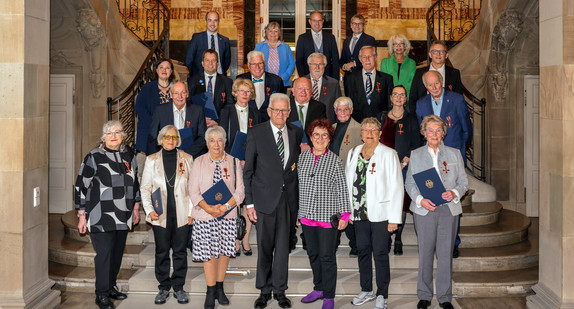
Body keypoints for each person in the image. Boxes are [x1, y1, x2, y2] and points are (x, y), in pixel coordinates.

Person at [244, 93, 303, 309]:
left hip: (287, 202)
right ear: (269, 111)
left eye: (284, 110)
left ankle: (280, 291)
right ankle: (264, 291)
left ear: (289, 112)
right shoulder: (256, 133)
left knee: (283, 249)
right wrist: (249, 204)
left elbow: (293, 170)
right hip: (263, 202)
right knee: (265, 248)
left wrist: (297, 207)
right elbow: (248, 171)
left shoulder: (296, 132)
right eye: (276, 110)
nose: (280, 114)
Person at [74, 120, 141, 309]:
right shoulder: (94, 156)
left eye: (117, 132)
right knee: (104, 255)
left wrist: (136, 208)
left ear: (123, 135)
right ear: (103, 137)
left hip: (124, 214)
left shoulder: (129, 154)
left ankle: (111, 287)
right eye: (109, 133)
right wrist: (81, 214)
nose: (113, 136)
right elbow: (81, 185)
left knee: (116, 254)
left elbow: (135, 182)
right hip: (100, 215)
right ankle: (101, 294)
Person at [404, 115, 468, 309]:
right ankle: (424, 295)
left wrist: (454, 192)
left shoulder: (454, 154)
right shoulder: (415, 155)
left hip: (448, 210)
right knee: (425, 253)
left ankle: (445, 297)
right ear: (424, 133)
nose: (434, 134)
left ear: (443, 133)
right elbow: (410, 183)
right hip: (424, 211)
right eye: (430, 130)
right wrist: (420, 200)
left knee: (445, 254)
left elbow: (464, 182)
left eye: (438, 130)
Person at [345, 117, 403, 309]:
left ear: (379, 133)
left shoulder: (388, 154)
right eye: (365, 130)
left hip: (381, 214)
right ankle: (366, 289)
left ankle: (382, 294)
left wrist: (394, 218)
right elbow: (347, 183)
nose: (369, 133)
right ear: (361, 134)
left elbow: (396, 187)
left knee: (379, 253)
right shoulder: (353, 152)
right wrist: (348, 212)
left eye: (373, 130)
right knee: (362, 252)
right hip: (359, 213)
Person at [416, 71, 471, 258]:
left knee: (452, 201)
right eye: (430, 85)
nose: (434, 88)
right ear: (426, 87)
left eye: (437, 83)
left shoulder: (456, 99)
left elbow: (466, 128)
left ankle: (453, 242)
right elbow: (421, 132)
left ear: (442, 82)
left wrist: (460, 153)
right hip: (430, 158)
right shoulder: (421, 104)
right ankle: (433, 242)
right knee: (433, 199)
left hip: (451, 157)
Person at [188, 125, 245, 309]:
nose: (216, 144)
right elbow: (193, 191)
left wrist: (226, 207)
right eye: (212, 140)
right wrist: (210, 209)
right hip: (205, 216)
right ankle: (210, 291)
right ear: (206, 143)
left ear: (225, 142)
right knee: (209, 254)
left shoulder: (234, 162)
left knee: (223, 252)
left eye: (219, 140)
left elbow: (240, 192)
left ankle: (220, 288)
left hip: (227, 216)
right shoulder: (199, 162)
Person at [297, 119, 351, 309]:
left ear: (329, 139)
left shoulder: (335, 160)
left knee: (327, 256)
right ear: (310, 137)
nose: (320, 138)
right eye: (316, 135)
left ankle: (329, 295)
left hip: (328, 217)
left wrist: (345, 215)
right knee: (313, 254)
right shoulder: (302, 158)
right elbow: (299, 188)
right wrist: (297, 213)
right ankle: (318, 288)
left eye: (324, 135)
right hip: (307, 216)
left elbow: (342, 189)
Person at [140, 125, 194, 305]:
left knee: (179, 252)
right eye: (167, 137)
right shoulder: (151, 160)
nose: (171, 140)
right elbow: (145, 188)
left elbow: (193, 189)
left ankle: (178, 287)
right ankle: (163, 286)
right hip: (159, 214)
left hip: (182, 214)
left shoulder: (187, 159)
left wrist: (191, 212)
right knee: (161, 251)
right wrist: (149, 210)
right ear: (161, 139)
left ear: (178, 139)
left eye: (174, 137)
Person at [377, 85, 422, 255]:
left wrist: (406, 160)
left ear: (405, 99)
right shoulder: (381, 117)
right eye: (395, 94)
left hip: (402, 167)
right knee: (385, 201)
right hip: (383, 167)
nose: (398, 97)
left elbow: (416, 144)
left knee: (399, 203)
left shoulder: (411, 119)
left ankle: (398, 238)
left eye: (401, 95)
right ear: (390, 97)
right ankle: (386, 237)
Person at [220, 79, 261, 257]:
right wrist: (233, 159)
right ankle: (234, 241)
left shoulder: (256, 112)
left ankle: (244, 239)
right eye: (241, 91)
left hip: (252, 162)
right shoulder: (226, 111)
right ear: (235, 93)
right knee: (233, 200)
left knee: (248, 200)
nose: (245, 94)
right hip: (230, 161)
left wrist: (249, 159)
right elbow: (221, 136)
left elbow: (259, 137)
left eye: (248, 91)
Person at [328, 97, 362, 257]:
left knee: (349, 214)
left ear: (351, 110)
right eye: (339, 110)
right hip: (332, 178)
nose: (342, 113)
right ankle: (332, 244)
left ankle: (355, 245)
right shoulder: (332, 128)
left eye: (345, 109)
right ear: (335, 112)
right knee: (333, 213)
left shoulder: (359, 129)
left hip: (350, 180)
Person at [135, 58, 178, 180]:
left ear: (171, 71)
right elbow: (140, 108)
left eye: (167, 67)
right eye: (161, 67)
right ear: (156, 70)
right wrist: (157, 125)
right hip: (150, 135)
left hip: (171, 135)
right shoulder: (148, 88)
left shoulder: (176, 89)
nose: (164, 70)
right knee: (148, 174)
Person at [148, 81, 207, 158]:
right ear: (171, 95)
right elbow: (152, 137)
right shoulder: (160, 111)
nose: (180, 96)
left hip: (190, 157)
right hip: (165, 157)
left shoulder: (198, 111)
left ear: (187, 94)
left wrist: (186, 153)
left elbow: (203, 137)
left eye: (183, 93)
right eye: (176, 93)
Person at [408, 40, 464, 114]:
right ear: (430, 54)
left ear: (446, 55)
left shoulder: (454, 73)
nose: (438, 54)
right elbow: (413, 97)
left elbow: (459, 98)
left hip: (447, 117)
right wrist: (417, 117)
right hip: (424, 115)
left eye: (441, 52)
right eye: (435, 51)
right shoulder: (419, 73)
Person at [344, 46, 394, 123]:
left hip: (380, 124)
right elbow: (348, 104)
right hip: (357, 124)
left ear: (376, 58)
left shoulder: (386, 79)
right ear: (360, 59)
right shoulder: (350, 78)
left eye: (370, 56)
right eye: (364, 57)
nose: (367, 60)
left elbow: (389, 105)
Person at [188, 49, 234, 127]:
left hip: (219, 125)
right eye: (207, 60)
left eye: (213, 60)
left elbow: (230, 105)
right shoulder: (192, 81)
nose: (210, 63)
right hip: (199, 124)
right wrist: (201, 119)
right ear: (202, 63)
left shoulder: (227, 82)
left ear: (217, 63)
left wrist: (218, 121)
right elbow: (189, 103)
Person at [237, 50, 286, 121]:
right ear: (248, 65)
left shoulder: (276, 81)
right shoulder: (240, 80)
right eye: (254, 64)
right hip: (246, 121)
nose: (257, 67)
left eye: (260, 63)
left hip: (269, 123)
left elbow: (282, 105)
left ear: (264, 64)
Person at [296, 11, 339, 80]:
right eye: (314, 21)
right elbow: (299, 62)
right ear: (310, 21)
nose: (317, 23)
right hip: (309, 78)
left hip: (328, 78)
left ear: (323, 21)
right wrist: (304, 79)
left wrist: (335, 80)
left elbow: (335, 60)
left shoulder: (330, 38)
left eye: (319, 20)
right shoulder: (302, 38)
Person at [185, 11, 231, 75]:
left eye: (215, 20)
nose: (212, 23)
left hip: (220, 78)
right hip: (200, 78)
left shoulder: (225, 40)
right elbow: (189, 60)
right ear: (206, 22)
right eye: (210, 20)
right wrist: (196, 75)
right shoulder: (197, 38)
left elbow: (226, 63)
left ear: (218, 22)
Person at [339, 14, 376, 94]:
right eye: (354, 23)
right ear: (351, 25)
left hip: (362, 77)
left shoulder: (369, 39)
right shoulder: (346, 41)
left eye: (360, 24)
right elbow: (342, 59)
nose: (357, 26)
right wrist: (344, 66)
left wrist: (354, 63)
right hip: (348, 79)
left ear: (363, 25)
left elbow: (370, 59)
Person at [286, 77, 327, 149]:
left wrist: (309, 147)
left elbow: (323, 131)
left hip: (311, 150)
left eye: (307, 89)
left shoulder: (319, 108)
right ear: (293, 91)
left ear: (312, 91)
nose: (303, 92)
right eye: (299, 88)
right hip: (288, 148)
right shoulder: (285, 106)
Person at [255, 22, 296, 87]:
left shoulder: (286, 47)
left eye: (276, 31)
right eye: (270, 31)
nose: (273, 33)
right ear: (266, 33)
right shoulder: (259, 46)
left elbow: (292, 64)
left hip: (282, 83)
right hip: (263, 83)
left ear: (279, 34)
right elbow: (255, 64)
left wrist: (283, 78)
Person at [305, 53, 341, 123]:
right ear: (309, 65)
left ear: (325, 66)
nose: (317, 67)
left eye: (320, 64)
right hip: (305, 126)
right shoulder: (299, 83)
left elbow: (338, 108)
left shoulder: (334, 84)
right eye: (314, 64)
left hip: (327, 125)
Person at [380, 34, 416, 99]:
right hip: (390, 97)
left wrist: (400, 94)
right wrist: (395, 94)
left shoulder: (412, 63)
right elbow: (384, 82)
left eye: (401, 44)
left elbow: (412, 82)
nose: (398, 46)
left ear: (405, 46)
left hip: (406, 97)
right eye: (395, 44)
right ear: (392, 47)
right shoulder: (385, 62)